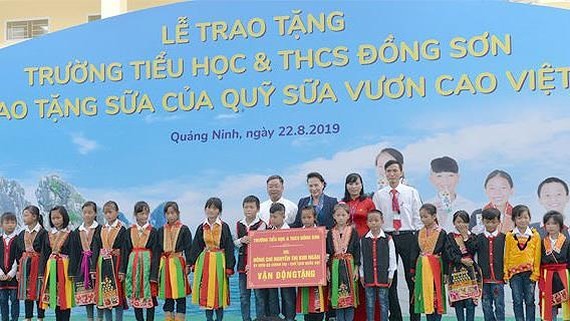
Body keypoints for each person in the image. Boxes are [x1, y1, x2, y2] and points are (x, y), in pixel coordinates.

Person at [372, 160, 422, 321]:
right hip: (388, 237)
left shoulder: (411, 192)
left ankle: (415, 316)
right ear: (384, 174)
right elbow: (376, 218)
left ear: (401, 172)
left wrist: (418, 238)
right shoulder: (379, 195)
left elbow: (417, 217)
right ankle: (395, 316)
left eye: (395, 171)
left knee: (411, 278)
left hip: (408, 236)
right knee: (390, 279)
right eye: (389, 171)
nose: (392, 174)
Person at [190, 197, 236, 321]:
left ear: (219, 211)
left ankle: (219, 319)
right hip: (205, 262)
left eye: (215, 208)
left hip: (219, 261)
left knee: (219, 291)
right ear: (205, 209)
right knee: (205, 291)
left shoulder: (224, 227)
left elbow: (229, 246)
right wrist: (193, 263)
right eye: (209, 207)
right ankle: (209, 319)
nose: (211, 210)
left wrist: (229, 267)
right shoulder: (201, 227)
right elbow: (197, 246)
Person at [342, 173, 375, 321]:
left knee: (364, 279)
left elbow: (374, 222)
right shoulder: (342, 203)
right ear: (346, 186)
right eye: (350, 183)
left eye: (356, 183)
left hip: (365, 244)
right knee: (349, 279)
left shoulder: (368, 202)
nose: (353, 186)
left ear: (361, 185)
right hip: (347, 246)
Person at [465, 208, 506, 321]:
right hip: (484, 279)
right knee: (486, 305)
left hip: (498, 277)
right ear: (483, 221)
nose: (490, 224)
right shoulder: (478, 238)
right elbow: (470, 249)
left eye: (493, 222)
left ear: (499, 221)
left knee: (500, 305)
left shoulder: (504, 238)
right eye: (487, 222)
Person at [504, 205, 541, 321]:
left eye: (526, 217)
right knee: (517, 300)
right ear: (514, 219)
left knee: (530, 300)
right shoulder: (510, 236)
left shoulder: (535, 235)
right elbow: (506, 255)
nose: (523, 220)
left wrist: (535, 273)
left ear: (530, 218)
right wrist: (506, 272)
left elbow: (537, 255)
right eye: (519, 218)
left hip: (530, 274)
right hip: (515, 275)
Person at [157, 201, 192, 321]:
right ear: (165, 215)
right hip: (165, 264)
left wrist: (188, 265)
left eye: (173, 213)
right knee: (168, 295)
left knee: (180, 294)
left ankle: (180, 318)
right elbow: (158, 249)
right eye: (168, 213)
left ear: (178, 213)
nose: (170, 216)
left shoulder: (184, 229)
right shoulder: (161, 230)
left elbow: (188, 248)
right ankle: (168, 318)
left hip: (177, 264)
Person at [124, 201, 159, 321]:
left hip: (148, 267)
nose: (144, 216)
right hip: (133, 267)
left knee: (150, 296)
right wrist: (123, 271)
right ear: (135, 214)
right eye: (141, 214)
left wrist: (154, 274)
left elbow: (156, 253)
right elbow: (125, 252)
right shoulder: (129, 231)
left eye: (146, 213)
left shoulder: (153, 232)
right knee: (136, 295)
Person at [93, 201, 128, 321]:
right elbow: (96, 248)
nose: (108, 215)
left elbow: (125, 250)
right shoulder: (101, 229)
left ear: (117, 212)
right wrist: (94, 268)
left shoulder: (122, 229)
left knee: (117, 295)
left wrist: (122, 270)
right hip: (102, 264)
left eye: (110, 212)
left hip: (116, 263)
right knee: (105, 295)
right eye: (105, 213)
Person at [235, 195, 267, 321]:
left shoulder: (262, 225)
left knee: (259, 296)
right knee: (244, 296)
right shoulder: (239, 224)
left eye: (251, 207)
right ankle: (246, 319)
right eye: (246, 207)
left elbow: (263, 245)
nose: (248, 209)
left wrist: (254, 240)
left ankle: (260, 319)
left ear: (257, 209)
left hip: (257, 266)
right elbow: (234, 242)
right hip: (242, 265)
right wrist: (241, 240)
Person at [445, 211, 481, 321]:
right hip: (455, 272)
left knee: (470, 301)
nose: (461, 224)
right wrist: (461, 260)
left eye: (464, 222)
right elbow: (449, 253)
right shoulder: (450, 236)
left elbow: (473, 249)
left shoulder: (473, 236)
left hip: (471, 272)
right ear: (454, 223)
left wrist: (465, 237)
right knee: (458, 301)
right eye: (458, 222)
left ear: (468, 223)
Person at [360, 209, 396, 321]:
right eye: (371, 220)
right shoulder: (363, 240)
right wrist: (361, 274)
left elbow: (392, 258)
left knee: (384, 303)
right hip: (368, 276)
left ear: (382, 221)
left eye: (376, 220)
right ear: (367, 222)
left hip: (383, 276)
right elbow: (361, 258)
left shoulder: (388, 239)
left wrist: (390, 275)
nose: (374, 223)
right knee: (370, 304)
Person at [39, 206, 74, 321]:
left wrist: (72, 272)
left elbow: (73, 253)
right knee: (55, 298)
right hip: (52, 268)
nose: (56, 220)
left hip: (64, 268)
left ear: (64, 218)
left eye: (58, 217)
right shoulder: (48, 234)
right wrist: (41, 273)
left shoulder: (70, 233)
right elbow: (44, 254)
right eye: (53, 218)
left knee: (65, 298)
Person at [326, 203, 360, 321]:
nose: (340, 217)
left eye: (343, 215)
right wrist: (327, 269)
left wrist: (356, 268)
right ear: (334, 216)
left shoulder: (353, 232)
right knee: (337, 297)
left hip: (349, 267)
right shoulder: (330, 233)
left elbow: (357, 250)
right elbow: (327, 252)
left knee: (350, 298)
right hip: (335, 267)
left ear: (348, 216)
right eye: (338, 215)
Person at [413, 204, 447, 321]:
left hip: (436, 266)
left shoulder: (441, 232)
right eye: (421, 217)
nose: (423, 219)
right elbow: (415, 251)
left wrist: (446, 272)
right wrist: (413, 271)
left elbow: (445, 253)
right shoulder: (419, 232)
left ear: (434, 216)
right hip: (422, 267)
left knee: (436, 293)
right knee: (426, 294)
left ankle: (437, 318)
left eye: (426, 217)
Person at [70, 201, 102, 321]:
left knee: (98, 292)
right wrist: (73, 272)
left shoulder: (100, 229)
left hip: (97, 264)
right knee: (87, 292)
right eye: (85, 212)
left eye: (90, 212)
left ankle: (100, 318)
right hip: (82, 265)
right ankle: (89, 318)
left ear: (95, 214)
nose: (87, 215)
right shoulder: (77, 231)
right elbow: (74, 252)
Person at [426, 156, 476, 232]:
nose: (445, 180)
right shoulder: (427, 206)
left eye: (450, 175)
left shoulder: (470, 206)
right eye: (439, 176)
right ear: (431, 179)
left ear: (458, 178)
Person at [16, 205, 46, 321]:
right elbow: (18, 252)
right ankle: (28, 317)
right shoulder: (22, 233)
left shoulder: (43, 233)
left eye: (26, 215)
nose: (24, 217)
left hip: (38, 265)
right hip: (25, 265)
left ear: (34, 217)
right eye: (23, 215)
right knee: (27, 292)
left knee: (39, 291)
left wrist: (43, 270)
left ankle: (40, 317)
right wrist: (19, 268)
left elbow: (45, 251)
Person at [296, 205, 327, 321]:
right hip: (304, 274)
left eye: (309, 217)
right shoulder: (297, 234)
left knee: (319, 305)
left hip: (318, 274)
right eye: (304, 218)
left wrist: (326, 257)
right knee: (306, 305)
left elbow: (326, 250)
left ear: (314, 217)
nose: (306, 220)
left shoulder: (321, 233)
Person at [538, 210, 570, 321]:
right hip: (548, 276)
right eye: (548, 223)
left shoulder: (567, 241)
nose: (551, 226)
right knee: (549, 304)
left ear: (560, 225)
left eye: (554, 223)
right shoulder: (542, 242)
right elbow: (539, 261)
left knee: (567, 303)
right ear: (545, 226)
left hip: (563, 275)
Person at [267, 203, 296, 321]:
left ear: (283, 216)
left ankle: (290, 318)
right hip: (273, 268)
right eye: (271, 217)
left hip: (288, 268)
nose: (272, 219)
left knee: (288, 295)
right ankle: (275, 317)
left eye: (275, 217)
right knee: (272, 295)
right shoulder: (267, 232)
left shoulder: (292, 231)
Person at [470, 170, 515, 234]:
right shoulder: (478, 215)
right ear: (486, 191)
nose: (497, 193)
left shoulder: (517, 215)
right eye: (492, 188)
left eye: (503, 188)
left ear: (511, 190)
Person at [0, 212, 19, 321]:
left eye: (13, 222)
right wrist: (1, 273)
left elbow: (18, 257)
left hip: (13, 276)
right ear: (1, 224)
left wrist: (12, 273)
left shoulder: (18, 239)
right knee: (2, 299)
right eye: (7, 222)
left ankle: (15, 319)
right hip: (1, 276)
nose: (10, 225)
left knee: (14, 299)